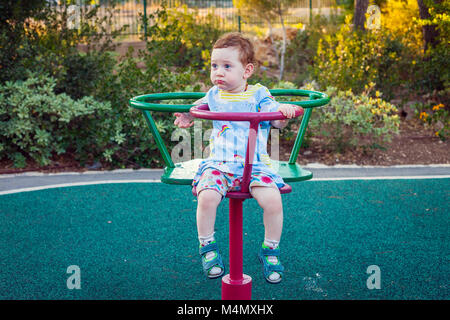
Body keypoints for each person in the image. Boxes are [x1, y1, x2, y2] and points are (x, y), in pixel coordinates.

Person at [174, 32, 299, 284]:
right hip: (219, 165)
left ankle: (270, 249)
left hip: (254, 166)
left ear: (247, 70)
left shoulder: (258, 94)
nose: (218, 72)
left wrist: (282, 112)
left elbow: (274, 119)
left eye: (227, 66)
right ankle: (207, 247)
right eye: (214, 66)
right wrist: (188, 117)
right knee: (206, 196)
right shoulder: (213, 95)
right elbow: (197, 109)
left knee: (273, 201)